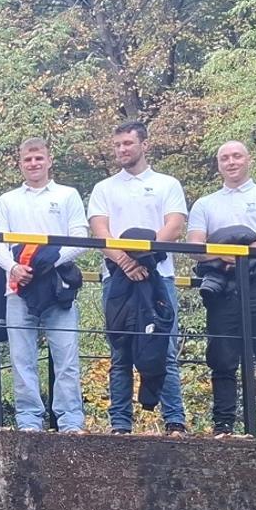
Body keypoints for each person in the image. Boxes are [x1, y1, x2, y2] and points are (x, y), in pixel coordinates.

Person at [87, 121, 189, 434]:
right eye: (117, 145)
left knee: (165, 347)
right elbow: (99, 229)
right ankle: (120, 424)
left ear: (144, 144)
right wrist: (125, 261)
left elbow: (175, 225)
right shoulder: (104, 188)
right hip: (116, 279)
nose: (121, 150)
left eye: (128, 144)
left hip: (160, 276)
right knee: (120, 351)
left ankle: (175, 421)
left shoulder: (166, 184)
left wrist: (146, 259)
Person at [188, 141, 256, 439]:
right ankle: (223, 426)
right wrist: (224, 255)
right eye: (224, 157)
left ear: (249, 160)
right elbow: (195, 247)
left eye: (236, 156)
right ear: (218, 164)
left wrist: (245, 252)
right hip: (221, 286)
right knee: (222, 356)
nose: (231, 162)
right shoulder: (205, 203)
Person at [0, 139, 89, 432]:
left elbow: (80, 238)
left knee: (67, 355)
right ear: (20, 163)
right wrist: (14, 268)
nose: (33, 164)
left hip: (58, 287)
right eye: (28, 159)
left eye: (38, 158)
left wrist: (50, 262)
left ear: (49, 160)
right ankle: (29, 420)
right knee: (22, 359)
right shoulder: (8, 200)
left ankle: (70, 420)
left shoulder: (67, 195)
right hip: (18, 289)